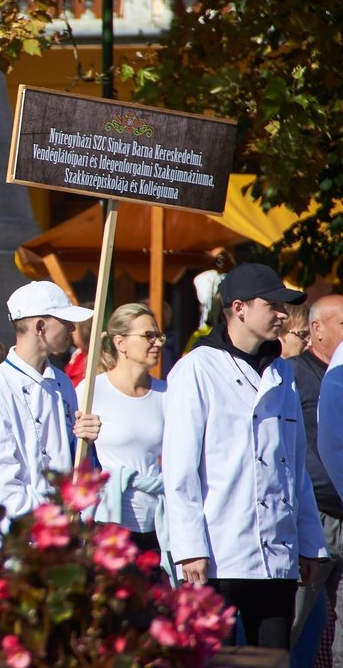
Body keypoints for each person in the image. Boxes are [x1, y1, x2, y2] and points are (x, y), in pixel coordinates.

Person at [164, 263, 327, 650]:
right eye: (272, 305)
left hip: (277, 553)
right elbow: (180, 469)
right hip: (218, 552)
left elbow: (294, 466)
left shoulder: (282, 373)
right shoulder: (197, 369)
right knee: (209, 658)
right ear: (238, 308)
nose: (282, 315)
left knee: (273, 658)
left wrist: (308, 540)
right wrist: (189, 549)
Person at [0, 281, 101, 525]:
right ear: (40, 326)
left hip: (66, 531)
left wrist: (86, 441)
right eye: (65, 321)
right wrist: (49, 516)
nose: (73, 328)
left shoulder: (62, 382)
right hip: (23, 539)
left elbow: (74, 462)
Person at [78, 304, 167, 554]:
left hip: (157, 525)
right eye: (148, 336)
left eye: (159, 335)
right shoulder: (91, 391)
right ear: (121, 343)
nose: (157, 343)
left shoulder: (167, 393)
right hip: (108, 524)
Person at [288, 294, 343, 664]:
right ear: (316, 328)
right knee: (297, 621)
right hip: (314, 519)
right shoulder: (292, 373)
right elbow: (301, 451)